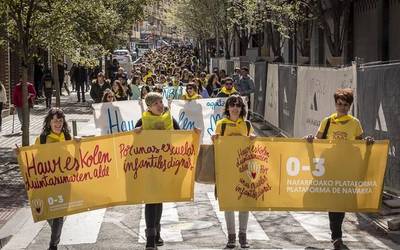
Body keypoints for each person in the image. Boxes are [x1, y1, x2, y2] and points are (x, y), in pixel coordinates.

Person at [305, 88, 374, 250]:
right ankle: (336, 237)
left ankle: (336, 236)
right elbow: (317, 140)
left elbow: (359, 144)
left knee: (341, 202)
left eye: (345, 104)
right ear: (335, 104)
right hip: (329, 165)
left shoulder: (355, 123)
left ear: (349, 106)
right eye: (339, 104)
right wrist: (310, 139)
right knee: (334, 202)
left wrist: (368, 142)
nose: (342, 107)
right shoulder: (327, 121)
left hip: (347, 167)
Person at [133, 92, 181, 249]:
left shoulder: (169, 118)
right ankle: (150, 239)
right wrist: (137, 134)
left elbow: (182, 137)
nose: (160, 105)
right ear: (149, 107)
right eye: (156, 103)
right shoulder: (142, 121)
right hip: (148, 168)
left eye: (161, 102)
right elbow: (133, 145)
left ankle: (157, 233)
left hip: (165, 166)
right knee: (151, 200)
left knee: (158, 199)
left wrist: (194, 133)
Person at [211, 95, 255, 249]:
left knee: (244, 203)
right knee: (228, 203)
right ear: (227, 108)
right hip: (226, 169)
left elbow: (254, 148)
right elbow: (216, 146)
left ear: (242, 108)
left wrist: (253, 140)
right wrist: (214, 139)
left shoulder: (247, 125)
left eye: (238, 105)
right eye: (232, 105)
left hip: (244, 170)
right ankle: (231, 237)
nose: (235, 108)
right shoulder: (221, 124)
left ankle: (243, 236)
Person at [37, 108, 73, 250]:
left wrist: (78, 144)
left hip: (64, 183)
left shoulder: (68, 137)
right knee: (48, 213)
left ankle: (53, 246)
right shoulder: (42, 139)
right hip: (46, 183)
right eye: (54, 121)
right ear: (49, 122)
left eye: (60, 120)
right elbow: (32, 158)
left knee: (58, 214)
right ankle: (56, 233)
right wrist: (20, 154)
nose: (57, 123)